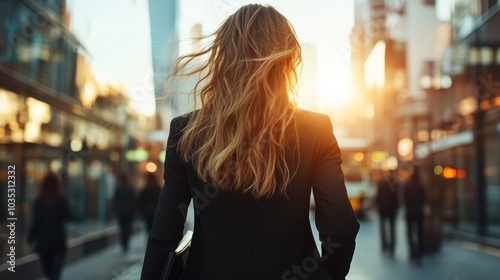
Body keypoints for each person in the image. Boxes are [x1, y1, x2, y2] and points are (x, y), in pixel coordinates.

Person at [141, 4, 359, 280]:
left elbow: (165, 233)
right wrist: (324, 275)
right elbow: (341, 228)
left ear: (223, 59)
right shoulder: (316, 129)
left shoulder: (186, 131)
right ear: (287, 60)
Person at [28, 171, 71, 280]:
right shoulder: (61, 200)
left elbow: (36, 223)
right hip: (58, 243)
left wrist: (29, 239)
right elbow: (70, 216)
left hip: (44, 243)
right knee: (55, 275)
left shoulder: (39, 201)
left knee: (49, 273)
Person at [403, 167, 426, 264]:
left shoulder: (407, 185)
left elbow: (405, 199)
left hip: (410, 212)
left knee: (410, 233)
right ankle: (419, 253)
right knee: (420, 233)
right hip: (419, 212)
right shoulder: (420, 185)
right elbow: (424, 198)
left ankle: (412, 252)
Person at [374, 170, 399, 256]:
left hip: (383, 208)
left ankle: (384, 245)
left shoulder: (381, 182)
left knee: (383, 227)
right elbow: (397, 196)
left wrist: (377, 204)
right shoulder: (395, 183)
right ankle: (392, 246)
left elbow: (378, 195)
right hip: (392, 208)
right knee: (392, 227)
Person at [114, 174, 136, 253]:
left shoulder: (118, 188)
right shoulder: (131, 188)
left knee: (122, 228)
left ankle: (123, 243)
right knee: (127, 228)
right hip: (129, 212)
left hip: (121, 212)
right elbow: (134, 201)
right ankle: (126, 243)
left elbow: (115, 200)